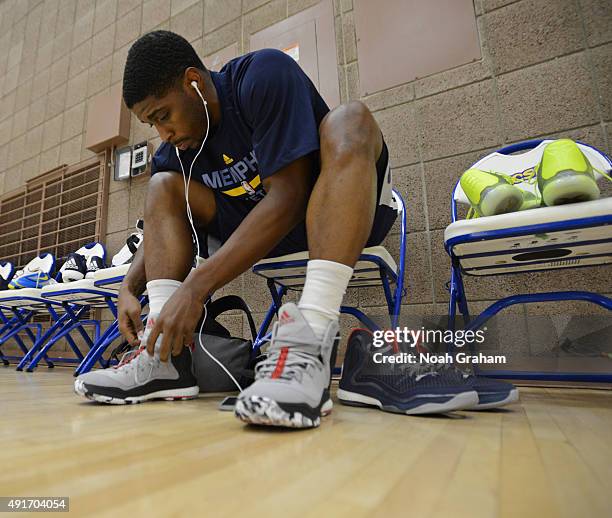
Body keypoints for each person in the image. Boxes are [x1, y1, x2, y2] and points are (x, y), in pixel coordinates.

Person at [74, 31, 498, 428]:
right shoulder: (178, 148)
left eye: (163, 115)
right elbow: (158, 229)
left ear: (195, 84)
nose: (162, 132)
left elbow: (290, 197)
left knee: (348, 118)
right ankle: (162, 356)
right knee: (163, 182)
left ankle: (311, 339)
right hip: (264, 236)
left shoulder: (261, 77)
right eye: (152, 124)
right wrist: (131, 285)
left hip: (336, 214)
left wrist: (196, 286)